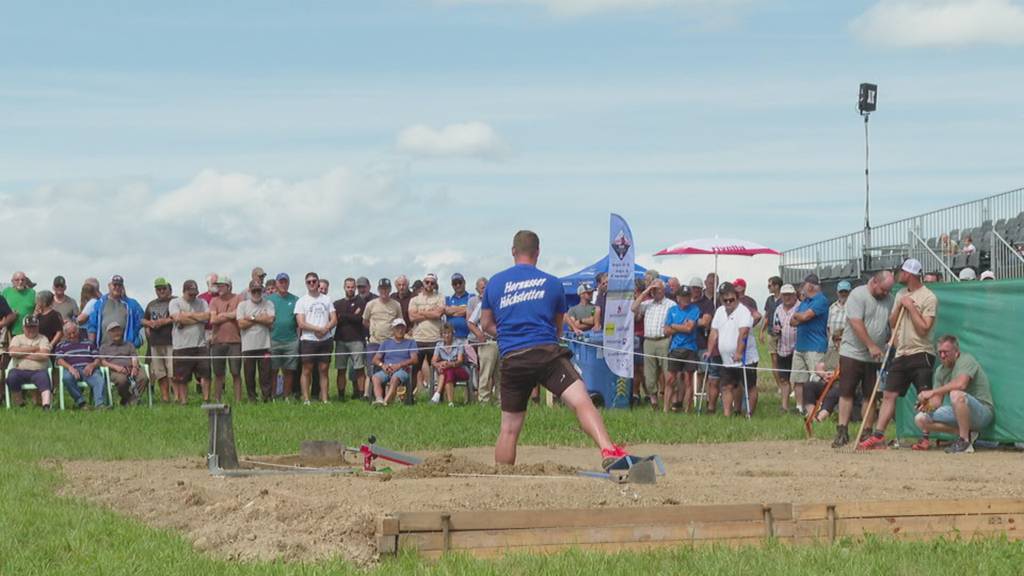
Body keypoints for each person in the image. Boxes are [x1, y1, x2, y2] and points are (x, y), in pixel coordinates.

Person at [480, 230, 627, 469]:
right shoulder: (552, 283)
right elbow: (558, 329)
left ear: (513, 252)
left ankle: (502, 475)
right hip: (546, 353)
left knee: (508, 428)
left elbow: (486, 324)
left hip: (514, 358)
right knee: (582, 402)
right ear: (537, 252)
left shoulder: (495, 282)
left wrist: (509, 335)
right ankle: (608, 450)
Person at [858, 259, 938, 450]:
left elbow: (925, 329)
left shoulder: (929, 297)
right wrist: (901, 307)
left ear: (909, 274)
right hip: (901, 352)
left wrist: (911, 308)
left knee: (923, 396)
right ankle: (878, 435)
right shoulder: (900, 294)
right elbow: (893, 323)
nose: (899, 275)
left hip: (922, 352)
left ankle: (925, 436)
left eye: (902, 272)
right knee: (889, 394)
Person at [832, 271, 894, 447]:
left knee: (871, 394)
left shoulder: (889, 299)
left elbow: (891, 321)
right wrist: (870, 345)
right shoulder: (858, 295)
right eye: (883, 290)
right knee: (846, 391)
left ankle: (866, 432)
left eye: (888, 291)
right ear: (874, 282)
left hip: (876, 356)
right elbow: (855, 322)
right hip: (852, 352)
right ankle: (842, 430)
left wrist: (889, 340)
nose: (885, 294)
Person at [914, 335, 994, 453]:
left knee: (956, 394)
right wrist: (926, 405)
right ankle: (968, 434)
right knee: (920, 419)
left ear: (956, 352)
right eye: (940, 352)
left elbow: (961, 384)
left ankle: (965, 442)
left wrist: (931, 392)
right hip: (959, 413)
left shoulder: (966, 359)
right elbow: (937, 402)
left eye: (946, 352)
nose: (942, 355)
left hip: (982, 412)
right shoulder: (940, 371)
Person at [706, 283, 759, 417]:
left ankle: (749, 414)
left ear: (736, 297)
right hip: (726, 359)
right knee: (726, 386)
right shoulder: (719, 311)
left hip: (746, 358)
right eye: (725, 300)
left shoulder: (744, 311)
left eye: (731, 299)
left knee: (749, 386)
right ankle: (727, 414)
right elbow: (714, 332)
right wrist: (709, 350)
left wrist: (739, 352)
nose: (728, 302)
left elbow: (744, 333)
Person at [789, 274, 829, 416]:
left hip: (815, 347)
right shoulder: (804, 302)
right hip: (800, 346)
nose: (802, 288)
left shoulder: (821, 300)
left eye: (803, 285)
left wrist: (801, 316)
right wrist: (801, 316)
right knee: (799, 378)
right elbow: (792, 321)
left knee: (816, 378)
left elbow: (804, 317)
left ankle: (819, 408)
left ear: (810, 286)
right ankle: (800, 408)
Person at [631, 278, 674, 408]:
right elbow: (633, 308)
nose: (656, 292)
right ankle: (654, 401)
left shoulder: (671, 304)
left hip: (664, 340)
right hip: (649, 341)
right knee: (649, 375)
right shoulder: (648, 303)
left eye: (659, 289)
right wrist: (646, 291)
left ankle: (668, 403)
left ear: (664, 290)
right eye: (654, 289)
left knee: (668, 373)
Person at [295, 272, 336, 404]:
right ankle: (306, 399)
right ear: (306, 284)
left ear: (318, 282)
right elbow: (301, 323)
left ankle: (324, 398)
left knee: (324, 370)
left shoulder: (327, 299)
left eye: (314, 281)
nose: (312, 283)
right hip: (308, 340)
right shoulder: (301, 301)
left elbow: (334, 318)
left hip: (326, 339)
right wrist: (318, 329)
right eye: (309, 282)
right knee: (307, 369)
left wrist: (326, 329)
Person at [169, 280, 212, 404]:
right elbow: (177, 318)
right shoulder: (175, 302)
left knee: (205, 374)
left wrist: (187, 316)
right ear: (184, 291)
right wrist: (198, 317)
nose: (193, 296)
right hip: (181, 346)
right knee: (182, 377)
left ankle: (206, 399)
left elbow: (207, 317)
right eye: (190, 294)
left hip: (200, 345)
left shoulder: (202, 302)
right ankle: (183, 401)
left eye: (195, 293)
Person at [236, 280, 276, 402]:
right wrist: (260, 318)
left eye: (259, 290)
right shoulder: (242, 305)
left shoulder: (268, 303)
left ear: (262, 291)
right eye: (254, 290)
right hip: (248, 346)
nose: (257, 293)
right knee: (249, 375)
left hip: (264, 345)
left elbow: (270, 320)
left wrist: (252, 318)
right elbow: (241, 324)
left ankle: (266, 397)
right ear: (250, 291)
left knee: (265, 374)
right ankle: (252, 398)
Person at [409, 273, 445, 399]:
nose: (429, 285)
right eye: (427, 282)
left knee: (438, 369)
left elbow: (438, 314)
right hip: (418, 338)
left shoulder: (440, 297)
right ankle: (409, 396)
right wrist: (430, 312)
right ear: (423, 283)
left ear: (435, 284)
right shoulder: (414, 299)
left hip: (435, 339)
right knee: (414, 369)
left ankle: (438, 396)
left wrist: (421, 312)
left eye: (432, 282)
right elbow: (412, 317)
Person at [363, 278, 402, 394]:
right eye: (382, 289)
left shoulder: (396, 305)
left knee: (388, 369)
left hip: (390, 343)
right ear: (378, 289)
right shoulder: (371, 304)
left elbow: (399, 322)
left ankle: (386, 394)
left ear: (390, 289)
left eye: (386, 288)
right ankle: (370, 394)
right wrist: (374, 329)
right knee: (372, 369)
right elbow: (365, 321)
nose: (384, 291)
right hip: (374, 342)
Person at [664, 287, 699, 413]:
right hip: (675, 348)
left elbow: (689, 328)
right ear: (678, 298)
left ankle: (687, 410)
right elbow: (666, 331)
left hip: (690, 348)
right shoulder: (672, 310)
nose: (686, 299)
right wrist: (680, 326)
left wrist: (673, 325)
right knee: (670, 379)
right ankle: (665, 409)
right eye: (683, 296)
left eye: (688, 296)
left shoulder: (694, 309)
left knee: (688, 379)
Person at [55, 321, 106, 408]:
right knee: (67, 378)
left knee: (98, 379)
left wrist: (92, 365)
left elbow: (98, 358)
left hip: (88, 368)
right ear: (65, 334)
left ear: (78, 331)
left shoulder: (88, 343)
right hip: (71, 369)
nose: (72, 335)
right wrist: (70, 368)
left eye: (74, 332)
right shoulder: (61, 345)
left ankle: (100, 404)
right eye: (69, 334)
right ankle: (81, 403)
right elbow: (59, 360)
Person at [6, 315, 54, 409]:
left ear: (37, 327)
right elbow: (12, 352)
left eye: (33, 327)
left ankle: (46, 406)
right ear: (23, 328)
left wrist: (23, 353)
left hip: (38, 371)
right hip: (19, 370)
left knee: (44, 378)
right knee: (12, 376)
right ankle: (20, 405)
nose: (31, 329)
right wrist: (35, 348)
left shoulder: (43, 339)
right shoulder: (17, 338)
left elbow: (44, 355)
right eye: (28, 327)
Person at [86, 275, 145, 349]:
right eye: (115, 285)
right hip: (103, 349)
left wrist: (135, 336)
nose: (117, 287)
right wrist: (91, 345)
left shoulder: (132, 304)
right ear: (109, 286)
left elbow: (142, 320)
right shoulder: (99, 304)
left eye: (120, 285)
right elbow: (92, 326)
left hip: (125, 350)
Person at [209, 277, 243, 402]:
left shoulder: (238, 298)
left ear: (229, 287)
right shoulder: (214, 301)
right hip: (217, 341)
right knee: (218, 374)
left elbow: (239, 314)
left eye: (222, 286)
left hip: (235, 341)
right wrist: (230, 316)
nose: (219, 288)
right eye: (218, 286)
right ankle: (217, 400)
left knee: (236, 372)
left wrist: (222, 315)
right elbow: (213, 320)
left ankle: (238, 401)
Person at [369, 318, 418, 406]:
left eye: (402, 328)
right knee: (375, 377)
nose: (400, 330)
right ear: (393, 330)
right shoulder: (386, 343)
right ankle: (379, 399)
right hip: (387, 369)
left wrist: (399, 365)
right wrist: (382, 365)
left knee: (395, 378)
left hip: (402, 370)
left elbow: (414, 359)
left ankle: (385, 402)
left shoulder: (410, 342)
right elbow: (375, 359)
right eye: (397, 328)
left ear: (405, 329)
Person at [333, 277, 367, 401]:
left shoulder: (361, 302)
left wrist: (344, 316)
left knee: (359, 368)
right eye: (348, 287)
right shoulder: (337, 303)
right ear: (344, 287)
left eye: (353, 287)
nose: (350, 289)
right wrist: (352, 316)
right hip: (341, 339)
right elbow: (336, 320)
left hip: (357, 339)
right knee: (341, 369)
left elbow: (359, 319)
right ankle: (341, 395)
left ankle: (362, 394)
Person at [467, 276, 500, 404]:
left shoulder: (501, 303)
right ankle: (483, 402)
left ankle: (501, 402)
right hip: (487, 343)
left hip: (502, 342)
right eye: (483, 288)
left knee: (501, 375)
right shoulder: (481, 305)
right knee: (485, 375)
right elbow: (471, 322)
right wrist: (479, 334)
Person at [99, 322, 149, 406]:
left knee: (143, 377)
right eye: (113, 331)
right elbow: (103, 362)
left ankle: (132, 401)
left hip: (131, 368)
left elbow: (134, 357)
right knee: (122, 381)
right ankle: (127, 398)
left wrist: (135, 367)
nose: (116, 333)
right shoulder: (104, 347)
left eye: (118, 330)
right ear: (108, 333)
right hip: (115, 371)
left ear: (122, 332)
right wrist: (116, 367)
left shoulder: (129, 345)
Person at [143, 277, 175, 403]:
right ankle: (165, 398)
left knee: (173, 371)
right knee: (160, 372)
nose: (161, 291)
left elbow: (177, 317)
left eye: (163, 288)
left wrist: (163, 322)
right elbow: (143, 319)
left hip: (171, 341)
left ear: (168, 289)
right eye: (158, 289)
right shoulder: (151, 304)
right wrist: (150, 323)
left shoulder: (175, 301)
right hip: (155, 342)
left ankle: (177, 397)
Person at [267, 273, 299, 400]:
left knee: (289, 370)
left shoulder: (295, 299)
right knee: (273, 370)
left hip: (291, 340)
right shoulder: (269, 300)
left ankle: (286, 396)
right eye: (281, 282)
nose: (283, 284)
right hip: (273, 339)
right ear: (276, 284)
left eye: (285, 282)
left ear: (288, 283)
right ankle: (273, 396)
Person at [688, 276, 718, 412]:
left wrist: (689, 322)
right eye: (693, 288)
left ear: (701, 289)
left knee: (704, 373)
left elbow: (705, 322)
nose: (695, 291)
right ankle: (691, 401)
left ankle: (706, 401)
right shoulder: (686, 301)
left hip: (702, 343)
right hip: (688, 343)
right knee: (689, 374)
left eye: (697, 288)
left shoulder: (707, 303)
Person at [772, 284, 799, 413]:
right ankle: (784, 406)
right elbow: (775, 326)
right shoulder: (778, 309)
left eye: (789, 294)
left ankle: (800, 406)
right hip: (782, 347)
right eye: (784, 295)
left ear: (794, 295)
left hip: (798, 349)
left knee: (799, 379)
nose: (787, 297)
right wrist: (775, 331)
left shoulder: (800, 307)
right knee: (784, 379)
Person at [431, 323, 469, 406]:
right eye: (444, 333)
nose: (447, 336)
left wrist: (449, 364)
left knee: (447, 371)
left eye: (449, 333)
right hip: (447, 370)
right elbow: (433, 361)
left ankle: (437, 394)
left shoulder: (459, 343)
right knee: (448, 372)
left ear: (452, 333)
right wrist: (440, 364)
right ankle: (450, 403)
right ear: (441, 335)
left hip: (459, 369)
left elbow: (460, 361)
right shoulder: (439, 345)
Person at [761, 276, 782, 395]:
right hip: (771, 333)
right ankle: (779, 385)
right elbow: (766, 316)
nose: (768, 288)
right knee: (774, 359)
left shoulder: (784, 298)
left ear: (776, 286)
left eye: (770, 285)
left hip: (783, 334)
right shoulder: (769, 300)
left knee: (784, 360)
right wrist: (762, 331)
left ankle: (787, 384)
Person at [3, 271, 37, 338]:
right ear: (12, 281)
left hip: (28, 332)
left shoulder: (32, 293)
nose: (20, 282)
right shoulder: (6, 292)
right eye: (17, 280)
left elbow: (38, 309)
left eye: (22, 280)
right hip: (8, 332)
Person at [445, 273, 471, 343]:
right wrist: (463, 309)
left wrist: (453, 310)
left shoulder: (471, 297)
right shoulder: (448, 299)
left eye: (460, 282)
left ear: (464, 282)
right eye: (455, 283)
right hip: (452, 338)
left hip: (468, 337)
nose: (458, 285)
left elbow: (470, 309)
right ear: (452, 285)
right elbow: (447, 311)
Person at [828, 280, 851, 345]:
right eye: (841, 292)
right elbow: (828, 327)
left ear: (850, 292)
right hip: (833, 343)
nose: (843, 294)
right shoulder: (832, 307)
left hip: (848, 343)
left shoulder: (854, 307)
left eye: (845, 292)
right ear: (837, 293)